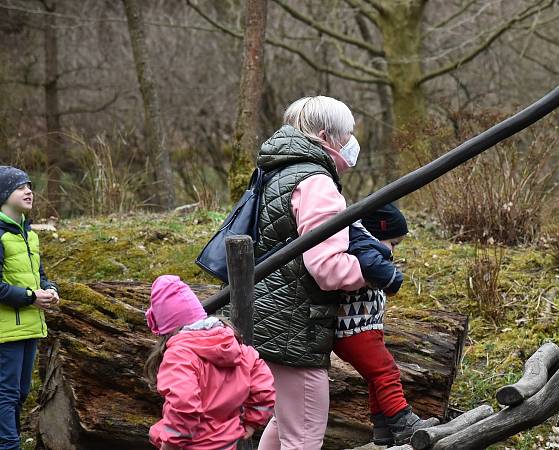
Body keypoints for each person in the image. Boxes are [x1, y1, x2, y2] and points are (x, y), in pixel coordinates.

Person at [255, 96, 366, 450]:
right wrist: (373, 270)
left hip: (264, 317)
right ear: (326, 136)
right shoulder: (317, 183)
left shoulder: (276, 170)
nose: (351, 143)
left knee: (284, 424)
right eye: (347, 135)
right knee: (303, 436)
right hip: (293, 325)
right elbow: (328, 269)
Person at [334, 203, 439, 445]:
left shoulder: (365, 245)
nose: (393, 250)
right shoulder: (364, 247)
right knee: (386, 372)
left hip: (361, 328)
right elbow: (373, 266)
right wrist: (393, 279)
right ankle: (403, 423)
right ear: (378, 231)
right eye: (392, 243)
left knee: (376, 376)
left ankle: (382, 425)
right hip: (355, 330)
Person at [144, 275, 275, 450]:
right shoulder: (235, 346)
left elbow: (183, 405)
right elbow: (264, 387)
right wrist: (252, 421)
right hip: (228, 443)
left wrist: (170, 444)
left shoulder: (179, 355)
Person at [0, 166, 59, 450]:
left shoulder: (29, 234)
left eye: (29, 186)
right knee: (7, 393)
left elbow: (40, 274)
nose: (28, 191)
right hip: (5, 331)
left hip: (31, 326)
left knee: (22, 392)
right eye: (19, 187)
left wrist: (50, 290)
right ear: (3, 195)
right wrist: (30, 297)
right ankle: (9, 445)